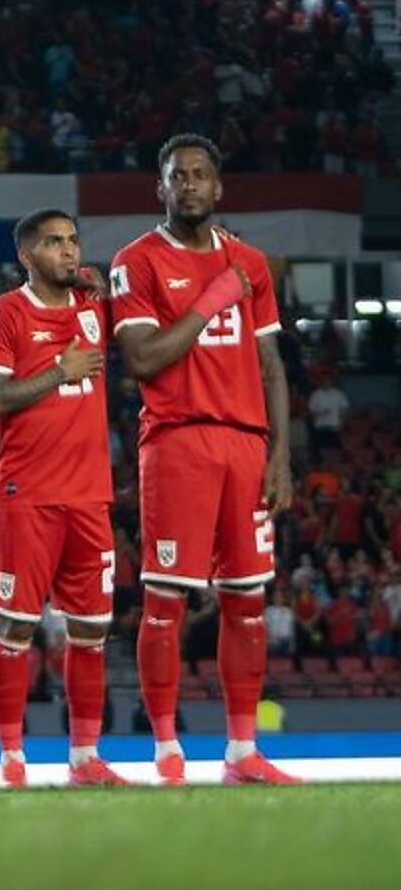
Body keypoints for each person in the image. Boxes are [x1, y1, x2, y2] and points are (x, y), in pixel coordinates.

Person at [109, 135, 298, 785]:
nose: (188, 184)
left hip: (246, 445)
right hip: (177, 441)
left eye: (199, 174)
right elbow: (144, 360)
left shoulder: (250, 263)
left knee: (247, 600)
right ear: (160, 188)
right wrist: (213, 299)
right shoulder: (136, 262)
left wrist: (282, 456)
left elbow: (271, 365)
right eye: (177, 175)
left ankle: (242, 751)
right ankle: (166, 748)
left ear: (218, 187)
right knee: (165, 601)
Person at [0, 210, 129, 788]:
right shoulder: (2, 315)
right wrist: (60, 372)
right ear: (26, 256)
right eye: (53, 243)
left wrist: (97, 282)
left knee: (91, 632)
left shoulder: (91, 307)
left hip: (89, 496)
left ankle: (85, 758)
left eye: (73, 241)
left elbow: (116, 290)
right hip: (27, 494)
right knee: (15, 631)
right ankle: (11, 759)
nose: (68, 251)